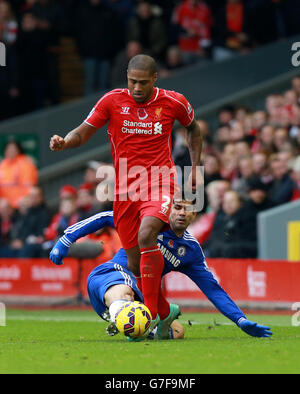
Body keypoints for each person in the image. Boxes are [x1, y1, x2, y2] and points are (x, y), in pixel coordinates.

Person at [49, 54, 203, 334]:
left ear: (155, 79)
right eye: (132, 81)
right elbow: (83, 132)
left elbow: (193, 128)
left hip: (160, 182)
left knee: (147, 234)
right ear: (127, 77)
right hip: (125, 190)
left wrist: (195, 168)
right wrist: (65, 141)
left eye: (143, 82)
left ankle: (154, 315)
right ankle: (165, 313)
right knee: (135, 262)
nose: (136, 88)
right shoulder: (112, 101)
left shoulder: (173, 101)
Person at [50, 199, 273, 340]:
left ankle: (138, 319)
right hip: (111, 275)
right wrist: (66, 239)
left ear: (194, 215)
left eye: (188, 209)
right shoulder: (148, 222)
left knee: (178, 333)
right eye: (177, 207)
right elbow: (107, 217)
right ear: (168, 208)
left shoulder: (191, 251)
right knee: (125, 293)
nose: (182, 213)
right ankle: (126, 314)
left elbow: (213, 289)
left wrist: (240, 320)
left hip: (145, 295)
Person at [0, 141, 38, 208]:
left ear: (18, 150)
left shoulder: (25, 164)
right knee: (3, 205)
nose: (10, 151)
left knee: (24, 202)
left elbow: (29, 186)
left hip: (22, 201)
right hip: (4, 202)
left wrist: (17, 200)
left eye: (13, 149)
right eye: (8, 149)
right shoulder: (2, 165)